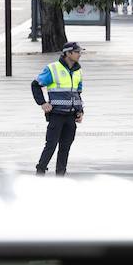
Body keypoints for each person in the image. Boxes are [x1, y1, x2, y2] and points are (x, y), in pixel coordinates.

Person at [31, 41, 84, 175]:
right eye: (77, 52)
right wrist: (42, 103)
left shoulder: (78, 71)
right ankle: (40, 170)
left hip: (71, 116)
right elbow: (35, 85)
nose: (79, 55)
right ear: (68, 53)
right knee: (51, 145)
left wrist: (80, 111)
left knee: (65, 147)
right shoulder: (52, 68)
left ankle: (61, 173)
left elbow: (77, 93)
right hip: (57, 115)